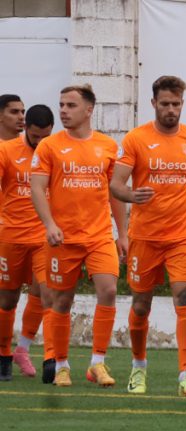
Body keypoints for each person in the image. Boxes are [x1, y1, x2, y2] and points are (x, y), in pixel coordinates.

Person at [109, 75, 186, 397]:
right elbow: (115, 184)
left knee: (184, 297)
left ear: (183, 104)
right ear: (154, 103)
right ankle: (138, 368)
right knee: (141, 303)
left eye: (176, 104)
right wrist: (130, 196)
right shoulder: (137, 139)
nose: (171, 110)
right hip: (145, 236)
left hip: (182, 235)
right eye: (165, 104)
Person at [29, 84, 126, 387]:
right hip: (63, 238)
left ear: (88, 110)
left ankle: (97, 363)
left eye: (70, 105)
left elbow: (115, 193)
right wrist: (49, 225)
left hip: (98, 236)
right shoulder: (49, 146)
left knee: (109, 291)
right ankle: (60, 365)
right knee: (61, 301)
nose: (63, 111)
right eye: (61, 105)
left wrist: (123, 233)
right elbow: (36, 188)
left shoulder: (108, 146)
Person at [0, 104, 54, 381]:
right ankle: (4, 355)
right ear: (26, 130)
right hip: (11, 236)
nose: (41, 143)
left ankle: (27, 350)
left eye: (46, 137)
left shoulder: (56, 150)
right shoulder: (6, 150)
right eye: (36, 138)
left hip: (44, 237)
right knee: (8, 299)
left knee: (47, 295)